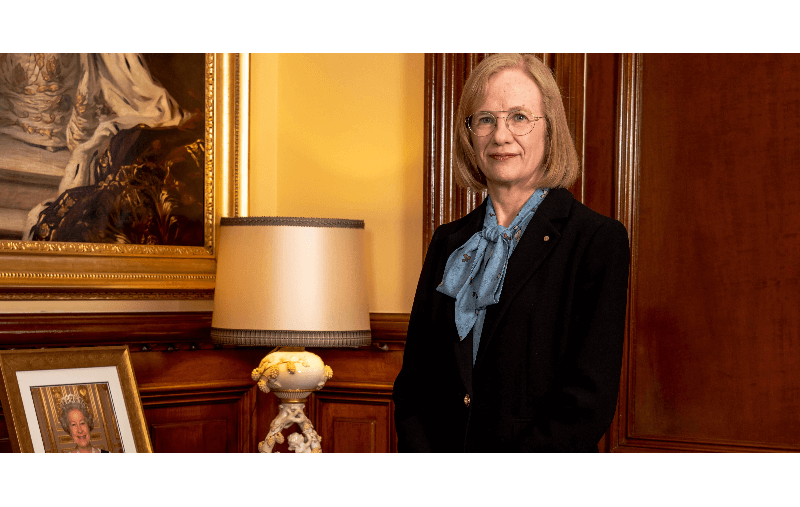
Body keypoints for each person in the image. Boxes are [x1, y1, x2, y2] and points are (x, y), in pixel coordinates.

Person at [392, 53, 630, 453]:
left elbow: (587, 401)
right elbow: (413, 387)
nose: (501, 135)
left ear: (550, 130)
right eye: (485, 119)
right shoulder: (448, 242)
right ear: (470, 134)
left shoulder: (596, 241)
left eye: (519, 117)